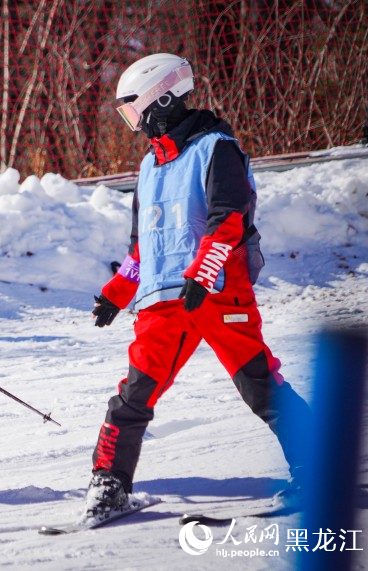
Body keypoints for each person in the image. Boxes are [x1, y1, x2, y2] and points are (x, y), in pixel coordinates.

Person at [85, 54, 313, 518]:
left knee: (258, 385)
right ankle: (110, 485)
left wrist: (203, 274)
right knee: (133, 396)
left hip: (218, 292)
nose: (133, 123)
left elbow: (227, 220)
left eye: (134, 110)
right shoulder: (149, 168)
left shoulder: (216, 149)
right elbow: (141, 249)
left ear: (162, 100)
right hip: (162, 302)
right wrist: (115, 294)